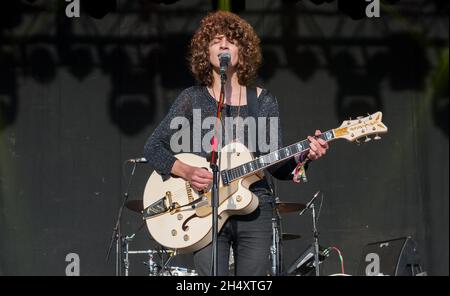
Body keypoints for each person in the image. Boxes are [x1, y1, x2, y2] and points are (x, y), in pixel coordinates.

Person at [143, 11, 329, 276]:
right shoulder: (192, 99)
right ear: (204, 53)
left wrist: (306, 156)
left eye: (231, 40)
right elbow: (153, 147)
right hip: (204, 209)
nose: (222, 45)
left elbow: (276, 166)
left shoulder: (263, 100)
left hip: (255, 206)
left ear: (243, 50)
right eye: (215, 41)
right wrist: (187, 172)